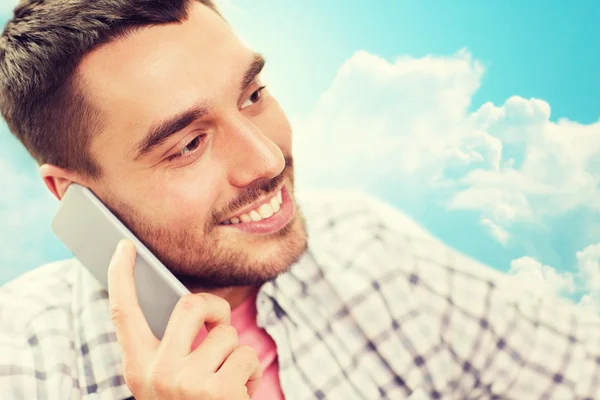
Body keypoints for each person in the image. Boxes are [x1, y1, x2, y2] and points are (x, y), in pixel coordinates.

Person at [0, 0, 598, 399]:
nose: (267, 160)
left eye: (253, 94)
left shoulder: (365, 246)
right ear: (74, 196)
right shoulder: (23, 358)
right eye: (188, 144)